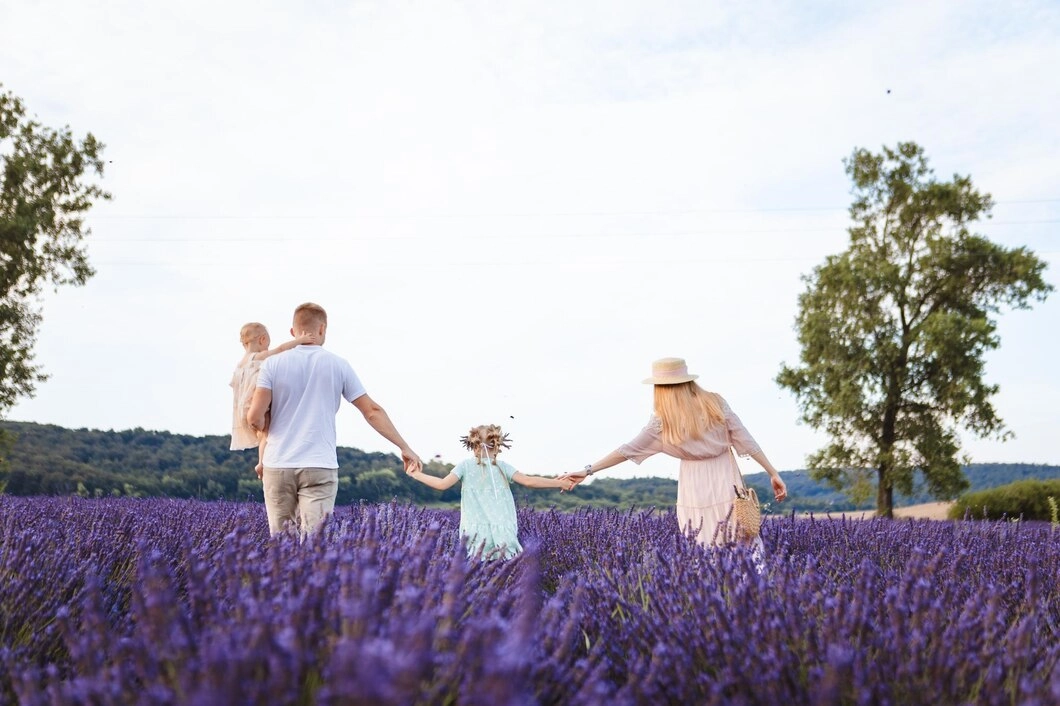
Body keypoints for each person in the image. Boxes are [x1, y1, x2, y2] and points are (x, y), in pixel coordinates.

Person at [564, 357, 787, 550]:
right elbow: (745, 438)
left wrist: (588, 470)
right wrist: (772, 472)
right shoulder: (715, 402)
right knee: (741, 539)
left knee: (702, 541)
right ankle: (753, 584)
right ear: (688, 380)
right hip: (726, 479)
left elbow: (627, 450)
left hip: (693, 485)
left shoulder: (663, 420)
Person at [247, 302, 423, 536]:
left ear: (292, 331)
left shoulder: (272, 364)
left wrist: (261, 435)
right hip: (319, 464)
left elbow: (255, 417)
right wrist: (404, 446)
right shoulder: (338, 364)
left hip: (278, 464)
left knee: (281, 543)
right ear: (322, 329)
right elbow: (372, 411)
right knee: (316, 542)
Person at [409, 424, 575, 559]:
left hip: (474, 532)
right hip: (503, 530)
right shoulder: (502, 467)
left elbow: (441, 484)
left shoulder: (465, 466)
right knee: (507, 570)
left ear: (473, 446)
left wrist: (416, 474)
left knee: (476, 571)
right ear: (497, 446)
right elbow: (529, 481)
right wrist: (559, 483)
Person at [230, 322, 317, 478]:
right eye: (267, 345)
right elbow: (281, 350)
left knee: (262, 435)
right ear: (262, 339)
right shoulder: (257, 357)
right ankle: (262, 463)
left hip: (243, 409)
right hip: (254, 406)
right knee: (267, 434)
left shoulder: (240, 364)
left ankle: (261, 462)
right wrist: (300, 340)